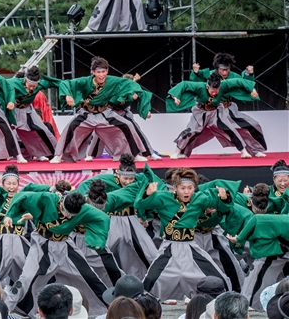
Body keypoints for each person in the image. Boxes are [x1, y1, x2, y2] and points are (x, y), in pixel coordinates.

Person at [1, 183, 113, 316]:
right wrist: (9, 215)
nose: (69, 217)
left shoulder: (82, 208)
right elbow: (22, 196)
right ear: (61, 204)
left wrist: (98, 240)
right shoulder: (48, 199)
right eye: (67, 213)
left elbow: (102, 218)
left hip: (65, 246)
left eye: (73, 215)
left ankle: (113, 308)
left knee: (90, 276)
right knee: (26, 278)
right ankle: (6, 308)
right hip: (42, 244)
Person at [136, 167, 233, 301]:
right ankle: (143, 307)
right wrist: (147, 193)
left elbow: (220, 206)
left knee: (219, 279)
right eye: (183, 188)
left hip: (191, 247)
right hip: (169, 248)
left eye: (190, 188)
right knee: (150, 281)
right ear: (175, 188)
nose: (186, 191)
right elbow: (139, 204)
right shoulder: (163, 197)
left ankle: (223, 306)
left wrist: (224, 198)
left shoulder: (199, 198)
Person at [50, 57, 150, 163]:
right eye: (98, 72)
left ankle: (135, 155)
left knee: (127, 125)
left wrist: (144, 106)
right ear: (93, 72)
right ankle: (58, 155)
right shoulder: (85, 81)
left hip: (104, 113)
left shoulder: (112, 81)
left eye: (103, 72)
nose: (101, 75)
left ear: (107, 71)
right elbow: (65, 83)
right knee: (71, 127)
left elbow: (130, 84)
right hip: (87, 114)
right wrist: (68, 95)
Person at [81, 157, 157, 279]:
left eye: (131, 178)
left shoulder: (140, 180)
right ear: (118, 174)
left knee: (149, 253)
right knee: (100, 253)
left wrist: (143, 216)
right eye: (125, 178)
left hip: (132, 220)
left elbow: (146, 195)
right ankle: (101, 280)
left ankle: (138, 282)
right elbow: (84, 185)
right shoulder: (106, 180)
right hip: (111, 221)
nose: (128, 182)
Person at [168, 72, 267, 159]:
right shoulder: (199, 86)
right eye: (212, 91)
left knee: (229, 129)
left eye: (217, 91)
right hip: (200, 113)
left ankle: (244, 152)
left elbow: (238, 81)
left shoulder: (223, 85)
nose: (214, 93)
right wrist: (176, 96)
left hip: (215, 112)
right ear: (207, 87)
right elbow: (184, 84)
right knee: (191, 131)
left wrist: (251, 89)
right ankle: (177, 152)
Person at [4, 66, 60, 160]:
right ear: (25, 80)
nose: (31, 88)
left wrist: (67, 92)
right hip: (13, 110)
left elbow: (55, 83)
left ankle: (56, 154)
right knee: (5, 132)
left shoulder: (40, 85)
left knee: (43, 130)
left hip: (28, 110)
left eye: (34, 86)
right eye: (29, 85)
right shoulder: (13, 82)